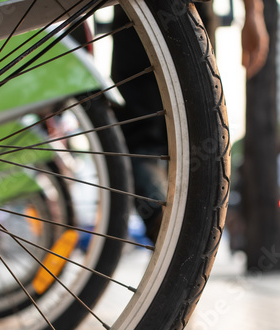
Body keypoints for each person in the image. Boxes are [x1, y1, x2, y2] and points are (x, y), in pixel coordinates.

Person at [112, 0, 268, 241]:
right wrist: (252, 12)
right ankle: (177, 234)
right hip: (186, 13)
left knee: (150, 137)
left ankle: (170, 230)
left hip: (150, 14)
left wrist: (253, 13)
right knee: (193, 136)